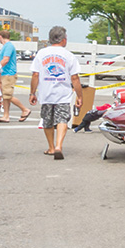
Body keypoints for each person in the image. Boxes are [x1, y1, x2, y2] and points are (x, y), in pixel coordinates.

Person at [29, 25, 83, 160]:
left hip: (46, 93)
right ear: (64, 40)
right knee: (62, 119)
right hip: (63, 93)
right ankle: (59, 145)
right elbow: (75, 78)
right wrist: (80, 96)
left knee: (47, 120)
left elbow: (35, 75)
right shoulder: (69, 56)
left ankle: (51, 147)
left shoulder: (41, 54)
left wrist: (32, 93)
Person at [0, 29, 30, 122]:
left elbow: (6, 59)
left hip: (8, 74)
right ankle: (6, 116)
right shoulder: (6, 46)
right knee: (5, 96)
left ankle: (24, 109)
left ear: (0, 36)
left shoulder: (8, 46)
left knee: (7, 95)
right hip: (4, 73)